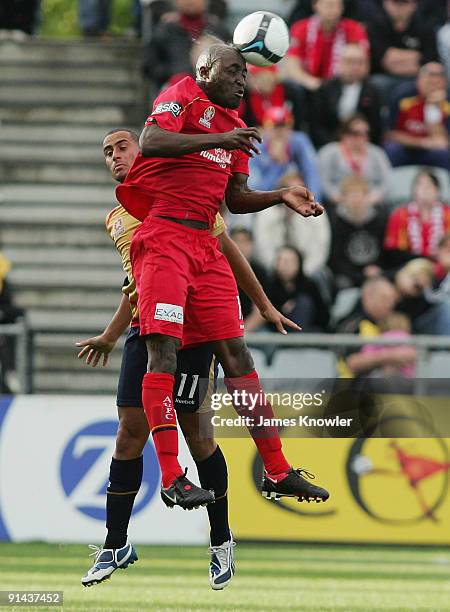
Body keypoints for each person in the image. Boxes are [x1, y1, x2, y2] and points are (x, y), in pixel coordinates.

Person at [78, 128, 303, 589]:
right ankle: (114, 543)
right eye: (107, 152)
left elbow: (227, 252)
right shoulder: (116, 218)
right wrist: (110, 334)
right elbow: (135, 283)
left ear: (143, 151)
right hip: (147, 329)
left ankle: (221, 540)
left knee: (199, 437)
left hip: (193, 333)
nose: (115, 156)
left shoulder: (183, 193)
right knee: (128, 434)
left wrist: (263, 304)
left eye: (122, 146)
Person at [116, 43, 330, 514]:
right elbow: (150, 141)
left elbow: (235, 200)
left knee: (237, 353)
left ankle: (277, 470)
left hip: (206, 247)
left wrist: (280, 194)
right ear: (206, 70)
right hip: (165, 238)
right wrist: (215, 141)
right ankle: (172, 475)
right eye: (233, 72)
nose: (242, 81)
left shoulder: (236, 129)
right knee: (164, 352)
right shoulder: (183, 94)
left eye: (245, 74)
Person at [251, 169, 331, 276]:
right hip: (273, 270)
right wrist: (279, 269)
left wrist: (302, 273)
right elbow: (262, 248)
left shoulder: (316, 213)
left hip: (307, 271)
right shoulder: (266, 213)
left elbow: (320, 251)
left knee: (322, 275)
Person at [286, 0, 369, 93]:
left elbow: (363, 66)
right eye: (329, 5)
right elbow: (292, 67)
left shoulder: (354, 29)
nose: (334, 10)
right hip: (308, 85)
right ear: (315, 5)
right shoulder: (300, 28)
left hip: (343, 85)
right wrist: (311, 82)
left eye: (338, 6)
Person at [143, 0, 230, 88]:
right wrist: (171, 76)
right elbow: (149, 65)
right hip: (173, 91)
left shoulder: (218, 31)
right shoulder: (164, 31)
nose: (190, 2)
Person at [311, 42, 383, 146]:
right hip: (330, 144)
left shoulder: (373, 92)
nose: (355, 67)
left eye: (360, 62)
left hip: (363, 145)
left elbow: (376, 127)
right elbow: (317, 125)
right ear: (340, 63)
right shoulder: (325, 89)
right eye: (350, 62)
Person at [384, 63, 450, 171]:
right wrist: (423, 143)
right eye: (429, 81)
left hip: (432, 152)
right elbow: (390, 134)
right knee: (392, 150)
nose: (433, 86)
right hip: (405, 147)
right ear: (418, 79)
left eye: (437, 82)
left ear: (445, 83)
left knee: (443, 155)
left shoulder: (447, 102)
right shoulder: (402, 95)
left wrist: (432, 107)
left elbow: (441, 141)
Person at [327, 174, 389, 290]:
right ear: (343, 198)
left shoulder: (380, 219)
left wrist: (377, 268)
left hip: (375, 271)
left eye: (360, 195)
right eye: (352, 196)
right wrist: (359, 275)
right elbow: (335, 259)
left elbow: (386, 251)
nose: (357, 200)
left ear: (367, 197)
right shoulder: (335, 222)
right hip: (348, 275)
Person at [248, 105, 322, 201]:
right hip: (268, 204)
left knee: (318, 215)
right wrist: (277, 164)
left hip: (299, 199)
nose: (280, 131)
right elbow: (254, 190)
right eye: (274, 126)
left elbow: (312, 173)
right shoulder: (255, 150)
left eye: (284, 125)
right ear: (265, 128)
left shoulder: (299, 142)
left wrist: (313, 201)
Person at [367, 0, 439, 98]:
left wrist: (393, 57)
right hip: (385, 77)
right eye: (395, 2)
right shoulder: (375, 26)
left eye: (404, 3)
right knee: (376, 83)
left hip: (418, 78)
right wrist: (414, 57)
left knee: (434, 82)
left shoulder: (425, 27)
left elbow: (429, 60)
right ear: (385, 3)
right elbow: (379, 59)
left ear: (414, 5)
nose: (399, 7)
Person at [318, 114, 392, 205]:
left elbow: (387, 182)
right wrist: (339, 198)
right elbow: (323, 181)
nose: (362, 137)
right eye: (356, 133)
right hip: (338, 203)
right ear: (344, 133)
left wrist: (373, 197)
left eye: (365, 133)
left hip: (370, 203)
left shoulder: (377, 153)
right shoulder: (329, 152)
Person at [253, 246, 330, 332]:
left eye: (290, 261)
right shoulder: (269, 285)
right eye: (281, 260)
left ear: (299, 264)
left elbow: (323, 316)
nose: (285, 265)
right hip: (276, 334)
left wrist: (297, 307)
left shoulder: (310, 286)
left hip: (307, 332)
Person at [383, 168, 450, 267]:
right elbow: (394, 251)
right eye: (420, 185)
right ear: (413, 190)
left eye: (429, 186)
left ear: (437, 190)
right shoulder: (400, 215)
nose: (425, 190)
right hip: (409, 267)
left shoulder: (448, 214)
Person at [358, 311, 416, 378]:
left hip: (382, 376)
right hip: (406, 377)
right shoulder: (408, 338)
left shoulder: (379, 338)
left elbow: (366, 353)